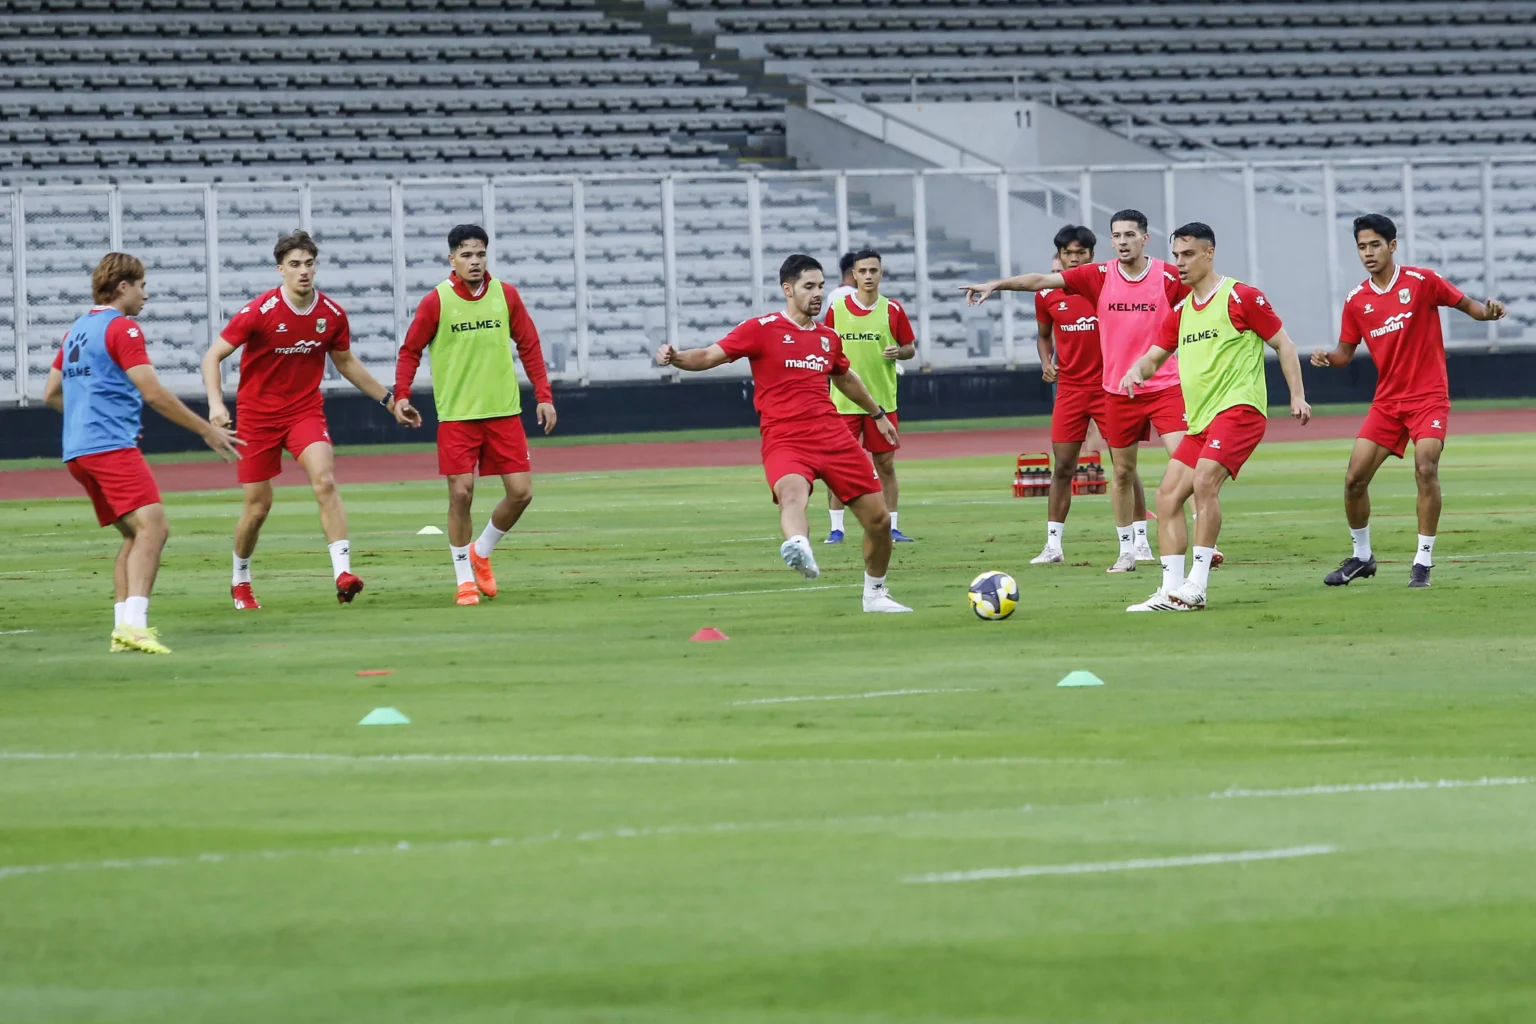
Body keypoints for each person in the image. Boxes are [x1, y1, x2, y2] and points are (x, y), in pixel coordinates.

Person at [657, 253, 910, 613]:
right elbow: (709, 356)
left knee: (879, 520)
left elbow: (845, 378)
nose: (818, 294)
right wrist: (676, 357)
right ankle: (799, 546)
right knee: (793, 496)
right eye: (809, 287)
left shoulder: (827, 338)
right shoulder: (760, 329)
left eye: (821, 286)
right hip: (785, 437)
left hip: (832, 435)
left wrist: (878, 414)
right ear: (787, 289)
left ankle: (875, 595)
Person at [962, 209, 1192, 574]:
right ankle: (1125, 551)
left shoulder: (1166, 275)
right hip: (1112, 389)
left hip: (1163, 386)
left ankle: (1199, 547)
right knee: (1118, 472)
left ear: (1144, 238)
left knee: (1187, 466)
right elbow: (1038, 281)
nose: (1122, 241)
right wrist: (995, 285)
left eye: (1129, 235)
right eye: (1117, 235)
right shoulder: (1097, 277)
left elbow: (1203, 292)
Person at [202, 230, 418, 610]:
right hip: (257, 416)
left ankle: (343, 574)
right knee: (258, 507)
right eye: (295, 265)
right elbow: (212, 357)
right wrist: (216, 405)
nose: (303, 271)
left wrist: (388, 400)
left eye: (309, 263)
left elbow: (346, 362)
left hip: (303, 411)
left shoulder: (331, 314)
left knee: (325, 480)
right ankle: (241, 580)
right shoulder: (259, 312)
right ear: (280, 269)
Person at [42, 252, 242, 654]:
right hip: (109, 446)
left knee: (135, 535)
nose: (145, 295)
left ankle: (122, 631)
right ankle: (136, 625)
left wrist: (90, 415)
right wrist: (205, 429)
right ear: (123, 288)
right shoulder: (123, 329)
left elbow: (51, 393)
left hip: (77, 451)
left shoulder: (77, 330)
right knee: (155, 528)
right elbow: (153, 392)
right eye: (142, 286)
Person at [1119, 223, 1311, 611]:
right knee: (1168, 496)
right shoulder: (1182, 311)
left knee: (1205, 481)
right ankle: (1170, 590)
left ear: (1209, 254)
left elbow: (1284, 345)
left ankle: (1197, 585)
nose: (1180, 263)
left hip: (1240, 410)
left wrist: (1297, 396)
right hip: (1201, 421)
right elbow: (1155, 356)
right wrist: (1135, 370)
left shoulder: (1241, 297)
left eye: (1188, 255)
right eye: (1175, 256)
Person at [1310, 214, 1506, 588]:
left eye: (1375, 245)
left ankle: (1422, 562)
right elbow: (1344, 353)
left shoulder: (1421, 281)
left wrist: (1490, 313)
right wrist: (1327, 359)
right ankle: (1362, 557)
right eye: (1362, 247)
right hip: (1388, 403)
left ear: (1392, 246)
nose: (1368, 253)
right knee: (1354, 480)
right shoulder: (1356, 301)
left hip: (1429, 398)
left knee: (1426, 468)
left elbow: (1470, 307)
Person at [394, 224, 556, 606]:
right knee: (461, 493)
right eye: (466, 255)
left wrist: (544, 396)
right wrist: (401, 395)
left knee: (521, 494)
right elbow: (410, 350)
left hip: (503, 412)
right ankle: (464, 578)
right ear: (452, 259)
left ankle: (482, 551)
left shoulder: (506, 295)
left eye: (480, 254)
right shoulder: (436, 301)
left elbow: (529, 344)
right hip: (458, 416)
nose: (475, 261)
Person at [1029, 225, 1150, 564]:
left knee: (1124, 467)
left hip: (1109, 387)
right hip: (1069, 390)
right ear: (1060, 257)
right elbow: (1043, 335)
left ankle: (1140, 540)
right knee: (1063, 466)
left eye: (1081, 253)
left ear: (1092, 256)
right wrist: (1045, 361)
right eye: (1068, 253)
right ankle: (1053, 545)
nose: (1074, 258)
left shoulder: (1107, 286)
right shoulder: (1046, 295)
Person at [822, 248, 917, 545]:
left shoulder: (893, 310)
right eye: (862, 271)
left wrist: (898, 351)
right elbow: (823, 345)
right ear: (853, 274)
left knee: (885, 464)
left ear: (881, 273)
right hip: (844, 402)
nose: (868, 276)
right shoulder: (837, 309)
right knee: (838, 466)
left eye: (873, 271)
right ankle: (836, 529)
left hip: (883, 401)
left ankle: (892, 526)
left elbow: (910, 348)